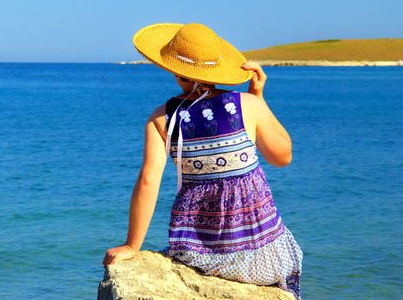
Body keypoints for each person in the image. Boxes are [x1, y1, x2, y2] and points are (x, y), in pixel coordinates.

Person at [103, 23, 303, 299]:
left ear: (175, 70)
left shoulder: (161, 119)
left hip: (197, 252)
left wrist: (132, 245)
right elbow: (283, 157)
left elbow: (149, 180)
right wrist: (259, 99)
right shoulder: (247, 104)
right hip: (263, 258)